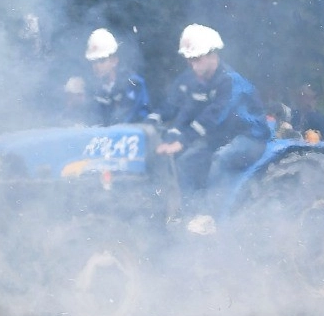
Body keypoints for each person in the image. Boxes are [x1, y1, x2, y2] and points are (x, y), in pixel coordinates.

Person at [155, 25, 270, 223]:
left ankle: (209, 217)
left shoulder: (230, 81)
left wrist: (184, 140)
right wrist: (172, 138)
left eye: (196, 59)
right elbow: (187, 112)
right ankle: (187, 216)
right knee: (186, 161)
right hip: (222, 137)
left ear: (212, 55)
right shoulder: (201, 82)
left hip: (250, 138)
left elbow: (214, 115)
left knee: (221, 160)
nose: (192, 65)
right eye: (189, 60)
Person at [84, 28, 150, 126]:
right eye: (93, 62)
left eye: (102, 60)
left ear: (114, 61)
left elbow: (129, 118)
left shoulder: (133, 84)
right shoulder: (96, 90)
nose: (97, 66)